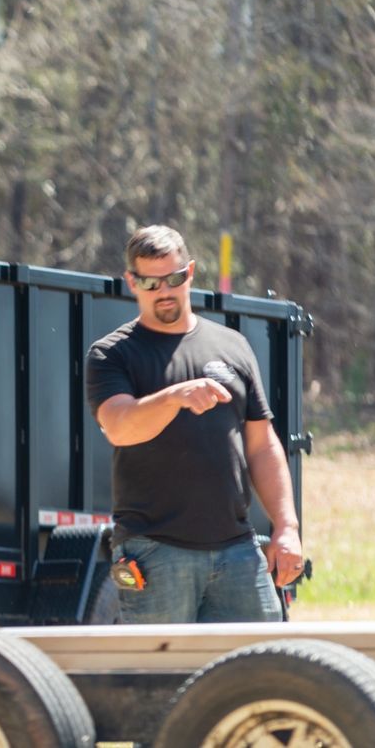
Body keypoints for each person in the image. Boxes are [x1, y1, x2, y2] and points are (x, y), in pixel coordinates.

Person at [85, 224, 303, 623]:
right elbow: (119, 426)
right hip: (154, 551)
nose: (163, 291)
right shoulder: (112, 354)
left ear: (190, 273)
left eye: (173, 278)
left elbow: (261, 445)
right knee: (162, 677)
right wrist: (174, 397)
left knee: (259, 668)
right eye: (150, 282)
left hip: (238, 551)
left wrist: (286, 527)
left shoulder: (231, 346)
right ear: (131, 283)